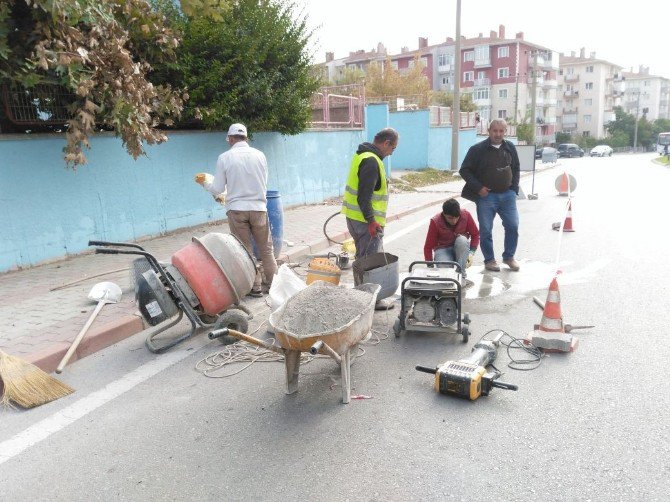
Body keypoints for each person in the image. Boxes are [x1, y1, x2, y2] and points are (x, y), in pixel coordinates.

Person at [195, 123, 277, 297]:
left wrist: (205, 183)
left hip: (237, 210)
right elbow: (263, 181)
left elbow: (217, 188)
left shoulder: (225, 157)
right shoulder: (260, 155)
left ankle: (255, 288)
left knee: (245, 251)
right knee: (267, 250)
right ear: (246, 137)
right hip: (259, 208)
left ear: (231, 138)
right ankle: (274, 285)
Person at [341, 128, 399, 309]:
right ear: (386, 143)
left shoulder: (362, 155)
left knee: (362, 258)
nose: (391, 153)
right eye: (393, 148)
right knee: (371, 261)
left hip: (355, 218)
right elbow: (364, 197)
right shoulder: (371, 162)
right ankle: (371, 301)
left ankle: (361, 297)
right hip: (366, 222)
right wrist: (372, 221)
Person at [459, 118, 520, 272]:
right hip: (487, 197)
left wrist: (514, 190)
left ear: (505, 132)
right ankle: (490, 260)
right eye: (495, 130)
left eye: (501, 131)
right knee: (486, 230)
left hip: (508, 196)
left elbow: (516, 168)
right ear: (489, 131)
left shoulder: (510, 147)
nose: (498, 134)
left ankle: (509, 257)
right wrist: (479, 188)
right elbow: (464, 170)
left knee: (513, 226)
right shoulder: (477, 149)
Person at [423, 198, 479, 286]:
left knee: (462, 240)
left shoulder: (466, 215)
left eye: (456, 218)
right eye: (450, 218)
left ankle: (461, 275)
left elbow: (475, 235)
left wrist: (471, 252)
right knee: (445, 275)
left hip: (460, 246)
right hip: (443, 249)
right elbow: (428, 246)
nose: (454, 221)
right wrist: (430, 267)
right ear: (444, 214)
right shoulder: (435, 221)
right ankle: (449, 277)